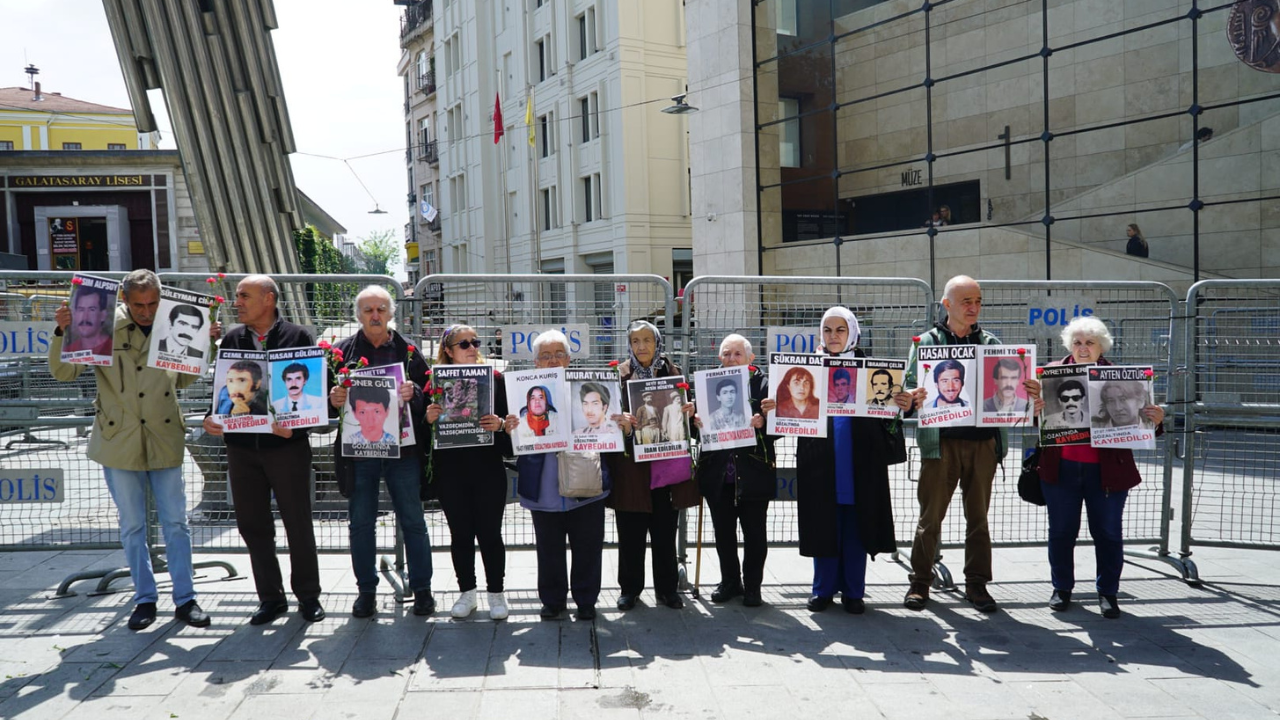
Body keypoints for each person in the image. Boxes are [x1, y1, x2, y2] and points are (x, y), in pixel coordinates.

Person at [50, 269, 210, 630]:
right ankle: (144, 599)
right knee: (133, 525)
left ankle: (186, 599)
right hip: (118, 438)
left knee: (176, 523)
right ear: (124, 299)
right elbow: (64, 373)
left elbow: (184, 379)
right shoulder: (100, 323)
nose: (147, 311)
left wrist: (204, 346)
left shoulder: (174, 323)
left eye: (153, 303)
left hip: (163, 434)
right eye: (139, 304)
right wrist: (63, 331)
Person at [900, 275, 1030, 613]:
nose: (973, 307)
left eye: (978, 301)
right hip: (939, 444)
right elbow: (909, 386)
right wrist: (911, 396)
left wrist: (1027, 392)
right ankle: (920, 582)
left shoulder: (991, 342)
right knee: (930, 517)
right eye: (966, 301)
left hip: (983, 443)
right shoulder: (925, 342)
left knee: (979, 518)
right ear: (947, 305)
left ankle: (977, 584)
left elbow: (1008, 389)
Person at [202, 274, 323, 625]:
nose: (236, 302)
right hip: (241, 449)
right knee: (252, 525)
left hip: (286, 448)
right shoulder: (232, 339)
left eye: (244, 296)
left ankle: (308, 596)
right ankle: (270, 598)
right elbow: (221, 393)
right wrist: (213, 419)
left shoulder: (298, 336)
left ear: (268, 299)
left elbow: (311, 391)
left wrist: (297, 427)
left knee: (297, 522)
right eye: (237, 296)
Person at [1027, 316, 1165, 618]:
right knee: (1061, 532)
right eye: (1077, 342)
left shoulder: (1120, 376)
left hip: (1107, 472)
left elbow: (1140, 426)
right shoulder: (1050, 374)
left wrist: (1155, 419)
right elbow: (1039, 423)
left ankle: (1108, 592)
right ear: (1069, 345)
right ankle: (1061, 588)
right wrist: (1034, 411)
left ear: (1101, 345)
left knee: (1108, 533)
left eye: (1090, 342)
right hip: (1061, 469)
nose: (1083, 347)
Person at [329, 285, 435, 618]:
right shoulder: (340, 353)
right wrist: (334, 401)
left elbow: (429, 397)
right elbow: (322, 404)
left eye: (380, 309)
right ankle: (366, 592)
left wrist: (413, 391)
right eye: (367, 310)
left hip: (402, 453)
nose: (375, 316)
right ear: (358, 315)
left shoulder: (408, 351)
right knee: (361, 523)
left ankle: (422, 590)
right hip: (359, 454)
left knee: (413, 521)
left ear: (391, 313)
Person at [792, 309, 897, 614]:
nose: (833, 336)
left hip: (860, 463)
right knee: (823, 524)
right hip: (820, 463)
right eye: (827, 330)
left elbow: (887, 417)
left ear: (852, 333)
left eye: (840, 330)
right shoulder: (807, 371)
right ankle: (822, 590)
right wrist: (777, 407)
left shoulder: (871, 371)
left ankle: (854, 592)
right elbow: (793, 413)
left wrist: (901, 403)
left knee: (856, 528)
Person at [510, 331, 613, 621]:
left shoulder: (587, 390)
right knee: (549, 548)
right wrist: (510, 428)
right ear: (535, 362)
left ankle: (586, 600)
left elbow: (607, 430)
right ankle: (553, 601)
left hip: (587, 481)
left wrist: (617, 424)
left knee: (589, 545)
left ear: (569, 359)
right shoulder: (523, 392)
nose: (552, 360)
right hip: (543, 488)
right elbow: (512, 442)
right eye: (545, 355)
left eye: (558, 354)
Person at [604, 320, 699, 611]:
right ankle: (629, 590)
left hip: (664, 472)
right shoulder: (617, 376)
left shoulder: (673, 374)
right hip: (630, 469)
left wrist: (690, 412)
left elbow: (688, 427)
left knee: (664, 532)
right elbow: (605, 423)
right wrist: (620, 423)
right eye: (635, 341)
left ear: (658, 342)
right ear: (629, 345)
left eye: (647, 340)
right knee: (630, 533)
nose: (641, 346)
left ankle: (668, 589)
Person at [426, 323, 512, 620]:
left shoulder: (495, 379)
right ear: (448, 351)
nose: (473, 348)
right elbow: (423, 436)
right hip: (451, 470)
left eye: (475, 342)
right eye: (464, 344)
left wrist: (500, 425)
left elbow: (510, 426)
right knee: (460, 534)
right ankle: (467, 593)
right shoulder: (433, 383)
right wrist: (429, 418)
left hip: (487, 467)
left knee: (490, 533)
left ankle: (497, 594)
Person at [693, 334, 777, 607]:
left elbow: (784, 425)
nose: (731, 359)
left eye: (737, 354)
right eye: (726, 354)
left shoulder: (764, 385)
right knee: (723, 532)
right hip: (719, 474)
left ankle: (753, 586)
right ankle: (730, 581)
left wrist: (764, 421)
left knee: (755, 533)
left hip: (753, 471)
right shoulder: (707, 387)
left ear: (750, 358)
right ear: (719, 358)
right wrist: (695, 423)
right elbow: (697, 433)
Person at [64, 285, 114, 356]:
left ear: (103, 315)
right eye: (81, 309)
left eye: (92, 309)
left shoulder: (114, 349)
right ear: (74, 314)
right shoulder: (69, 350)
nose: (85, 317)